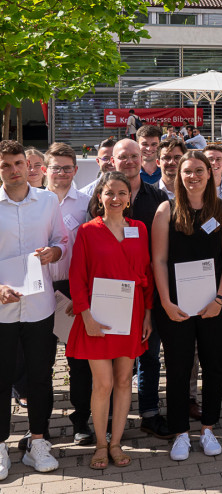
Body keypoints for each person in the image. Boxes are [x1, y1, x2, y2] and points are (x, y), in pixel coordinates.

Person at [151, 150, 222, 461]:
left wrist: (220, 299)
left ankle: (208, 429)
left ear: (210, 173)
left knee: (214, 366)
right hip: (175, 306)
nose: (193, 176)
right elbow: (158, 260)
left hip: (214, 305)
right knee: (178, 368)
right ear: (178, 175)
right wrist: (165, 301)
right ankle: (180, 433)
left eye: (199, 170)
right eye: (187, 171)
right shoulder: (167, 209)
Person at [67, 171, 154, 469]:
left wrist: (147, 314)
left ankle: (117, 443)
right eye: (110, 193)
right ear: (100, 196)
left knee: (123, 380)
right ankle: (101, 445)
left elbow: (148, 275)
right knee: (102, 383)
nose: (115, 198)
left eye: (121, 193)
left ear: (129, 198)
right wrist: (85, 315)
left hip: (131, 315)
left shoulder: (140, 229)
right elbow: (77, 277)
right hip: (98, 317)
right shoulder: (88, 231)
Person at [0, 140, 67, 478]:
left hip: (39, 306)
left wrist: (54, 253)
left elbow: (62, 240)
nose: (13, 170)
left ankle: (38, 442)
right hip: (2, 309)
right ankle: (0, 446)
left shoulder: (47, 201)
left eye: (17, 163)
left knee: (41, 377)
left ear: (28, 165)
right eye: (5, 165)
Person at [109, 139, 171, 439]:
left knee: (149, 354)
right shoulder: (101, 194)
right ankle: (109, 417)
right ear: (113, 161)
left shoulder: (158, 198)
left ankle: (149, 413)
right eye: (124, 157)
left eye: (135, 155)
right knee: (112, 356)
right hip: (112, 292)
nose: (131, 161)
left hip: (148, 291)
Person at [42, 143, 93, 446]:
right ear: (45, 170)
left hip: (74, 290)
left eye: (67, 167)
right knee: (41, 361)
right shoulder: (34, 203)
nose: (61, 173)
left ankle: (82, 420)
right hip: (40, 290)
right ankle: (41, 425)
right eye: (55, 167)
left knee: (79, 361)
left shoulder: (86, 203)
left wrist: (83, 293)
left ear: (75, 170)